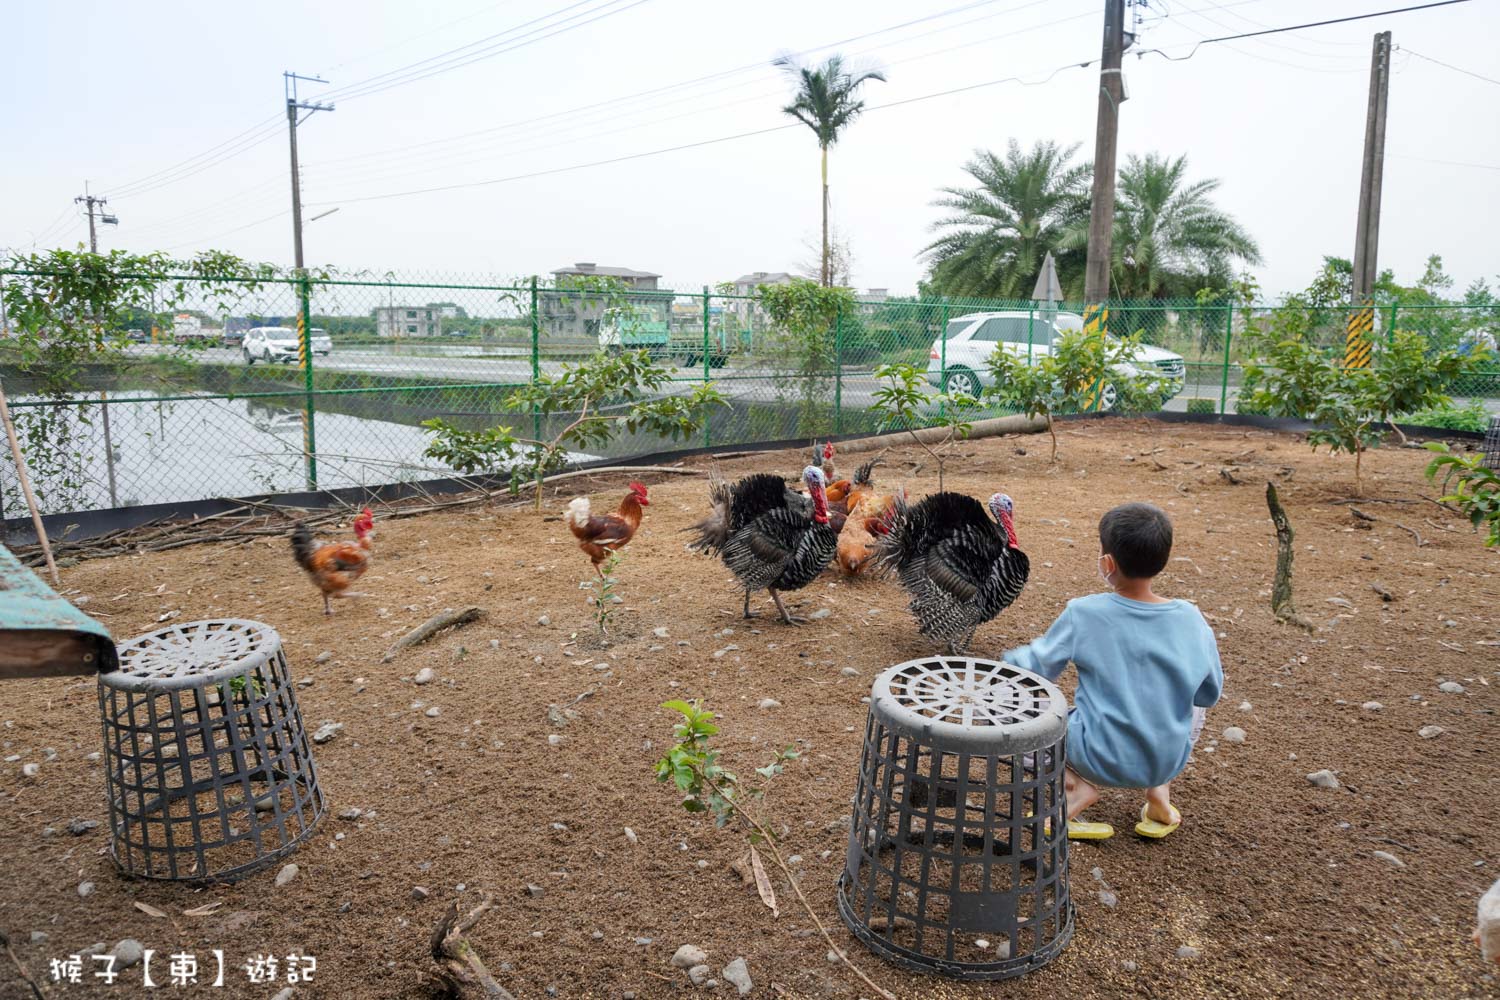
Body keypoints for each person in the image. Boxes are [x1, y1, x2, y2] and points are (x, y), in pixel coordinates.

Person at [1004, 502, 1223, 840]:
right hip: (1167, 758)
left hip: (1096, 756)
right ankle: (1158, 794)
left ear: (1107, 563)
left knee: (1011, 700)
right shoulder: (1192, 619)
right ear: (1162, 560)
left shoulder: (1085, 613)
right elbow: (1209, 693)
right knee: (1188, 704)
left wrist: (1001, 664)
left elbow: (1035, 667)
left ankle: (1076, 788)